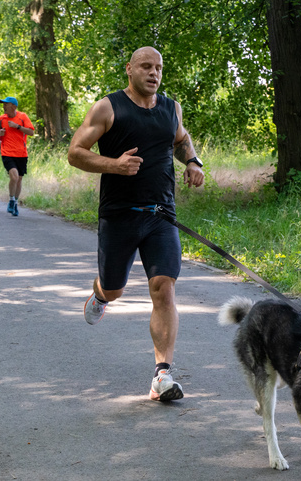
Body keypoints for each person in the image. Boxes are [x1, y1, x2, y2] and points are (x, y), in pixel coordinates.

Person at [67, 46, 205, 402]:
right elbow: (75, 152)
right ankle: (101, 294)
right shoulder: (108, 107)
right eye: (146, 66)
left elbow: (180, 137)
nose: (154, 73)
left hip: (161, 215)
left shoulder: (170, 108)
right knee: (115, 288)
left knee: (164, 288)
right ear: (129, 69)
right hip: (119, 215)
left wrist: (193, 161)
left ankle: (162, 375)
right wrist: (114, 165)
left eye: (159, 67)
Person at [0, 97, 34, 217]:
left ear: (13, 106)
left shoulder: (23, 117)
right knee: (14, 176)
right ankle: (11, 200)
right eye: (3, 104)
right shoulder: (2, 119)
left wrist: (17, 127)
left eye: (5, 104)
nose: (3, 106)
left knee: (19, 179)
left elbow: (31, 132)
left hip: (21, 153)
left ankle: (15, 203)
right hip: (7, 152)